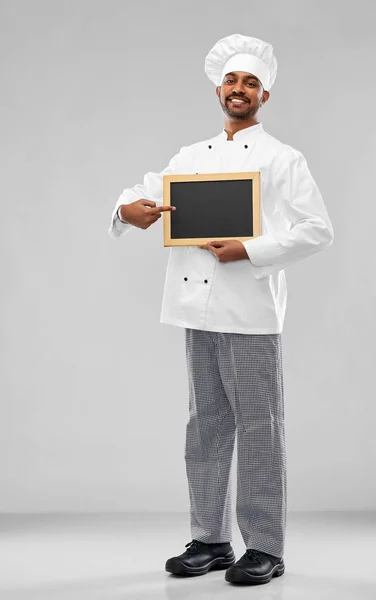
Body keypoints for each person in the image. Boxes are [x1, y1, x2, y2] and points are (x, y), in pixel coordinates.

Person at [108, 33, 334, 587]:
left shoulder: (283, 159)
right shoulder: (191, 156)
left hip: (251, 312)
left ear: (264, 95)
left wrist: (249, 250)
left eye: (250, 82)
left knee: (260, 428)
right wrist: (126, 210)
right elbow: (144, 194)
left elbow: (317, 230)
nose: (240, 89)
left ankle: (265, 547)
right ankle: (210, 539)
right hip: (196, 312)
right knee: (204, 427)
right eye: (232, 81)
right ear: (218, 90)